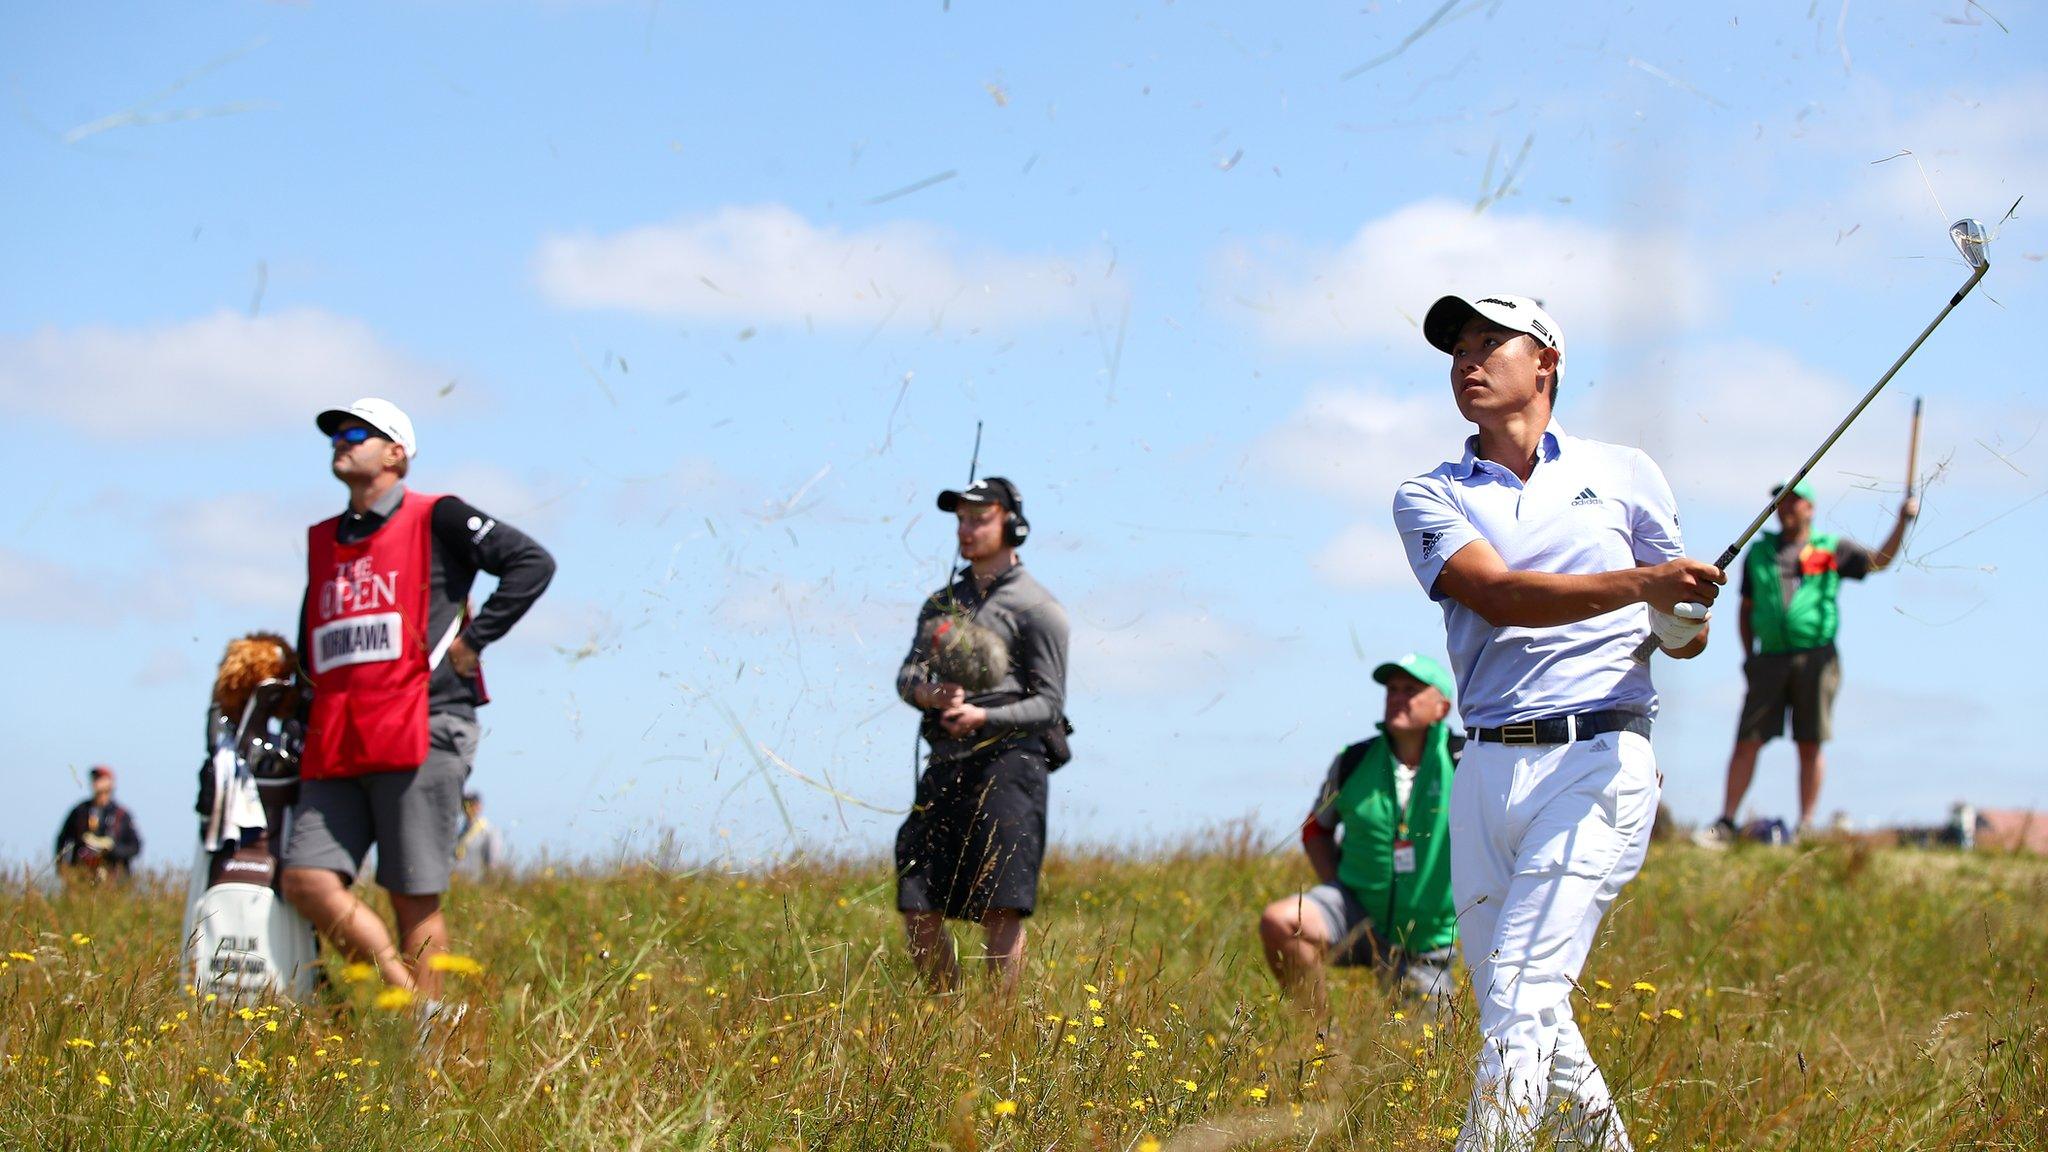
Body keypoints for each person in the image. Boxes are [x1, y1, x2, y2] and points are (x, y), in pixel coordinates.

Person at [1393, 292, 1725, 1150]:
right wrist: (1646, 587)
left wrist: (1681, 616)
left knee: (1521, 990)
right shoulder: (1428, 493)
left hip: (1599, 757)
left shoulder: (1626, 472)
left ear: (1544, 361)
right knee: (1521, 1005)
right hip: (1486, 769)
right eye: (1456, 348)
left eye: (1488, 341)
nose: (1466, 361)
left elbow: (1682, 636)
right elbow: (1500, 595)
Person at [280, 397, 555, 1007]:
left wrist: (474, 641)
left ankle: (425, 1048)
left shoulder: (440, 515)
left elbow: (531, 562)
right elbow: (312, 641)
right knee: (304, 878)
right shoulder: (325, 539)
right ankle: (411, 1005)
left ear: (397, 453)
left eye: (357, 432)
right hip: (340, 734)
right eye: (334, 434)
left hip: (425, 722)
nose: (340, 441)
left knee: (411, 894)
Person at [893, 476, 1070, 993]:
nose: (967, 531)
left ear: (1012, 525)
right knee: (918, 898)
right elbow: (907, 677)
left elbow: (1050, 703)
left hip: (1012, 763)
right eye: (961, 521)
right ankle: (943, 1021)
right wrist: (932, 696)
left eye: (980, 519)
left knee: (1001, 901)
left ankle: (998, 1032)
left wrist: (984, 718)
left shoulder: (1039, 609)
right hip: (946, 760)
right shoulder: (942, 604)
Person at [1706, 478, 1917, 839]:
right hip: (1768, 658)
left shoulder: (1831, 549)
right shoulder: (1759, 552)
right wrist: (1749, 656)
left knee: (1810, 741)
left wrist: (1902, 521)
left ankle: (1805, 825)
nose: (1786, 508)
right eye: (1781, 503)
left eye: (1794, 502)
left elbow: (1879, 562)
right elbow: (1746, 607)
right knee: (1748, 738)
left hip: (1817, 656)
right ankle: (1726, 822)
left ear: (1810, 507)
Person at [1258, 653, 1462, 1016]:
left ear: (1441, 707)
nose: (1398, 697)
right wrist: (1338, 885)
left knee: (1423, 1058)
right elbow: (1315, 829)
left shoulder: (1465, 761)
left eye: (1411, 690)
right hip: (1356, 912)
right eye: (1392, 689)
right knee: (1281, 921)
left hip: (1426, 940)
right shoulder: (1354, 760)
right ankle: (1321, 1039)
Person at [54, 765, 143, 881]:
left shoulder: (122, 815)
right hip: (82, 877)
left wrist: (112, 851)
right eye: (94, 778)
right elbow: (63, 840)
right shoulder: (79, 812)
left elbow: (135, 847)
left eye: (100, 778)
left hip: (114, 880)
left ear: (110, 783)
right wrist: (62, 867)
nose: (96, 782)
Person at [453, 791, 508, 878]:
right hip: (459, 883)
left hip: (477, 884)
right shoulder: (459, 833)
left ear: (479, 806)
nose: (468, 808)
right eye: (465, 805)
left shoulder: (489, 832)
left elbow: (494, 863)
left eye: (471, 804)